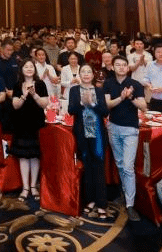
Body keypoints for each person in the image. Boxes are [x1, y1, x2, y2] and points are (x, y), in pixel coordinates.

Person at [104, 55, 147, 222]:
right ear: (113, 67)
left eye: (124, 65)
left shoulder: (135, 84)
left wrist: (131, 98)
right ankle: (125, 193)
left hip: (130, 129)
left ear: (128, 67)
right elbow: (107, 105)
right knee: (120, 164)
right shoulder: (108, 83)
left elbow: (144, 107)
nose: (121, 67)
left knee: (128, 167)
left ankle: (130, 204)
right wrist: (121, 98)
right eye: (118, 65)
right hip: (113, 128)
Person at [68, 64, 109, 219]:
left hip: (97, 134)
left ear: (93, 75)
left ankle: (102, 204)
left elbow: (105, 112)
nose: (86, 74)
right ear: (79, 75)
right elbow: (71, 110)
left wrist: (92, 104)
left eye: (89, 71)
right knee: (87, 166)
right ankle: (90, 200)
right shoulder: (74, 90)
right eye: (83, 72)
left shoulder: (99, 91)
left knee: (99, 166)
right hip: (82, 133)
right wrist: (81, 103)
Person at [10, 60, 49, 201]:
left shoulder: (40, 84)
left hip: (36, 124)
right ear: (22, 70)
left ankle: (33, 186)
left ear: (35, 69)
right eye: (26, 67)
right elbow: (15, 105)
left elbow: (45, 104)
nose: (29, 69)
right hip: (22, 124)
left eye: (31, 66)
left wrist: (35, 95)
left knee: (35, 155)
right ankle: (25, 187)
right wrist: (24, 95)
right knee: (23, 156)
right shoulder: (17, 85)